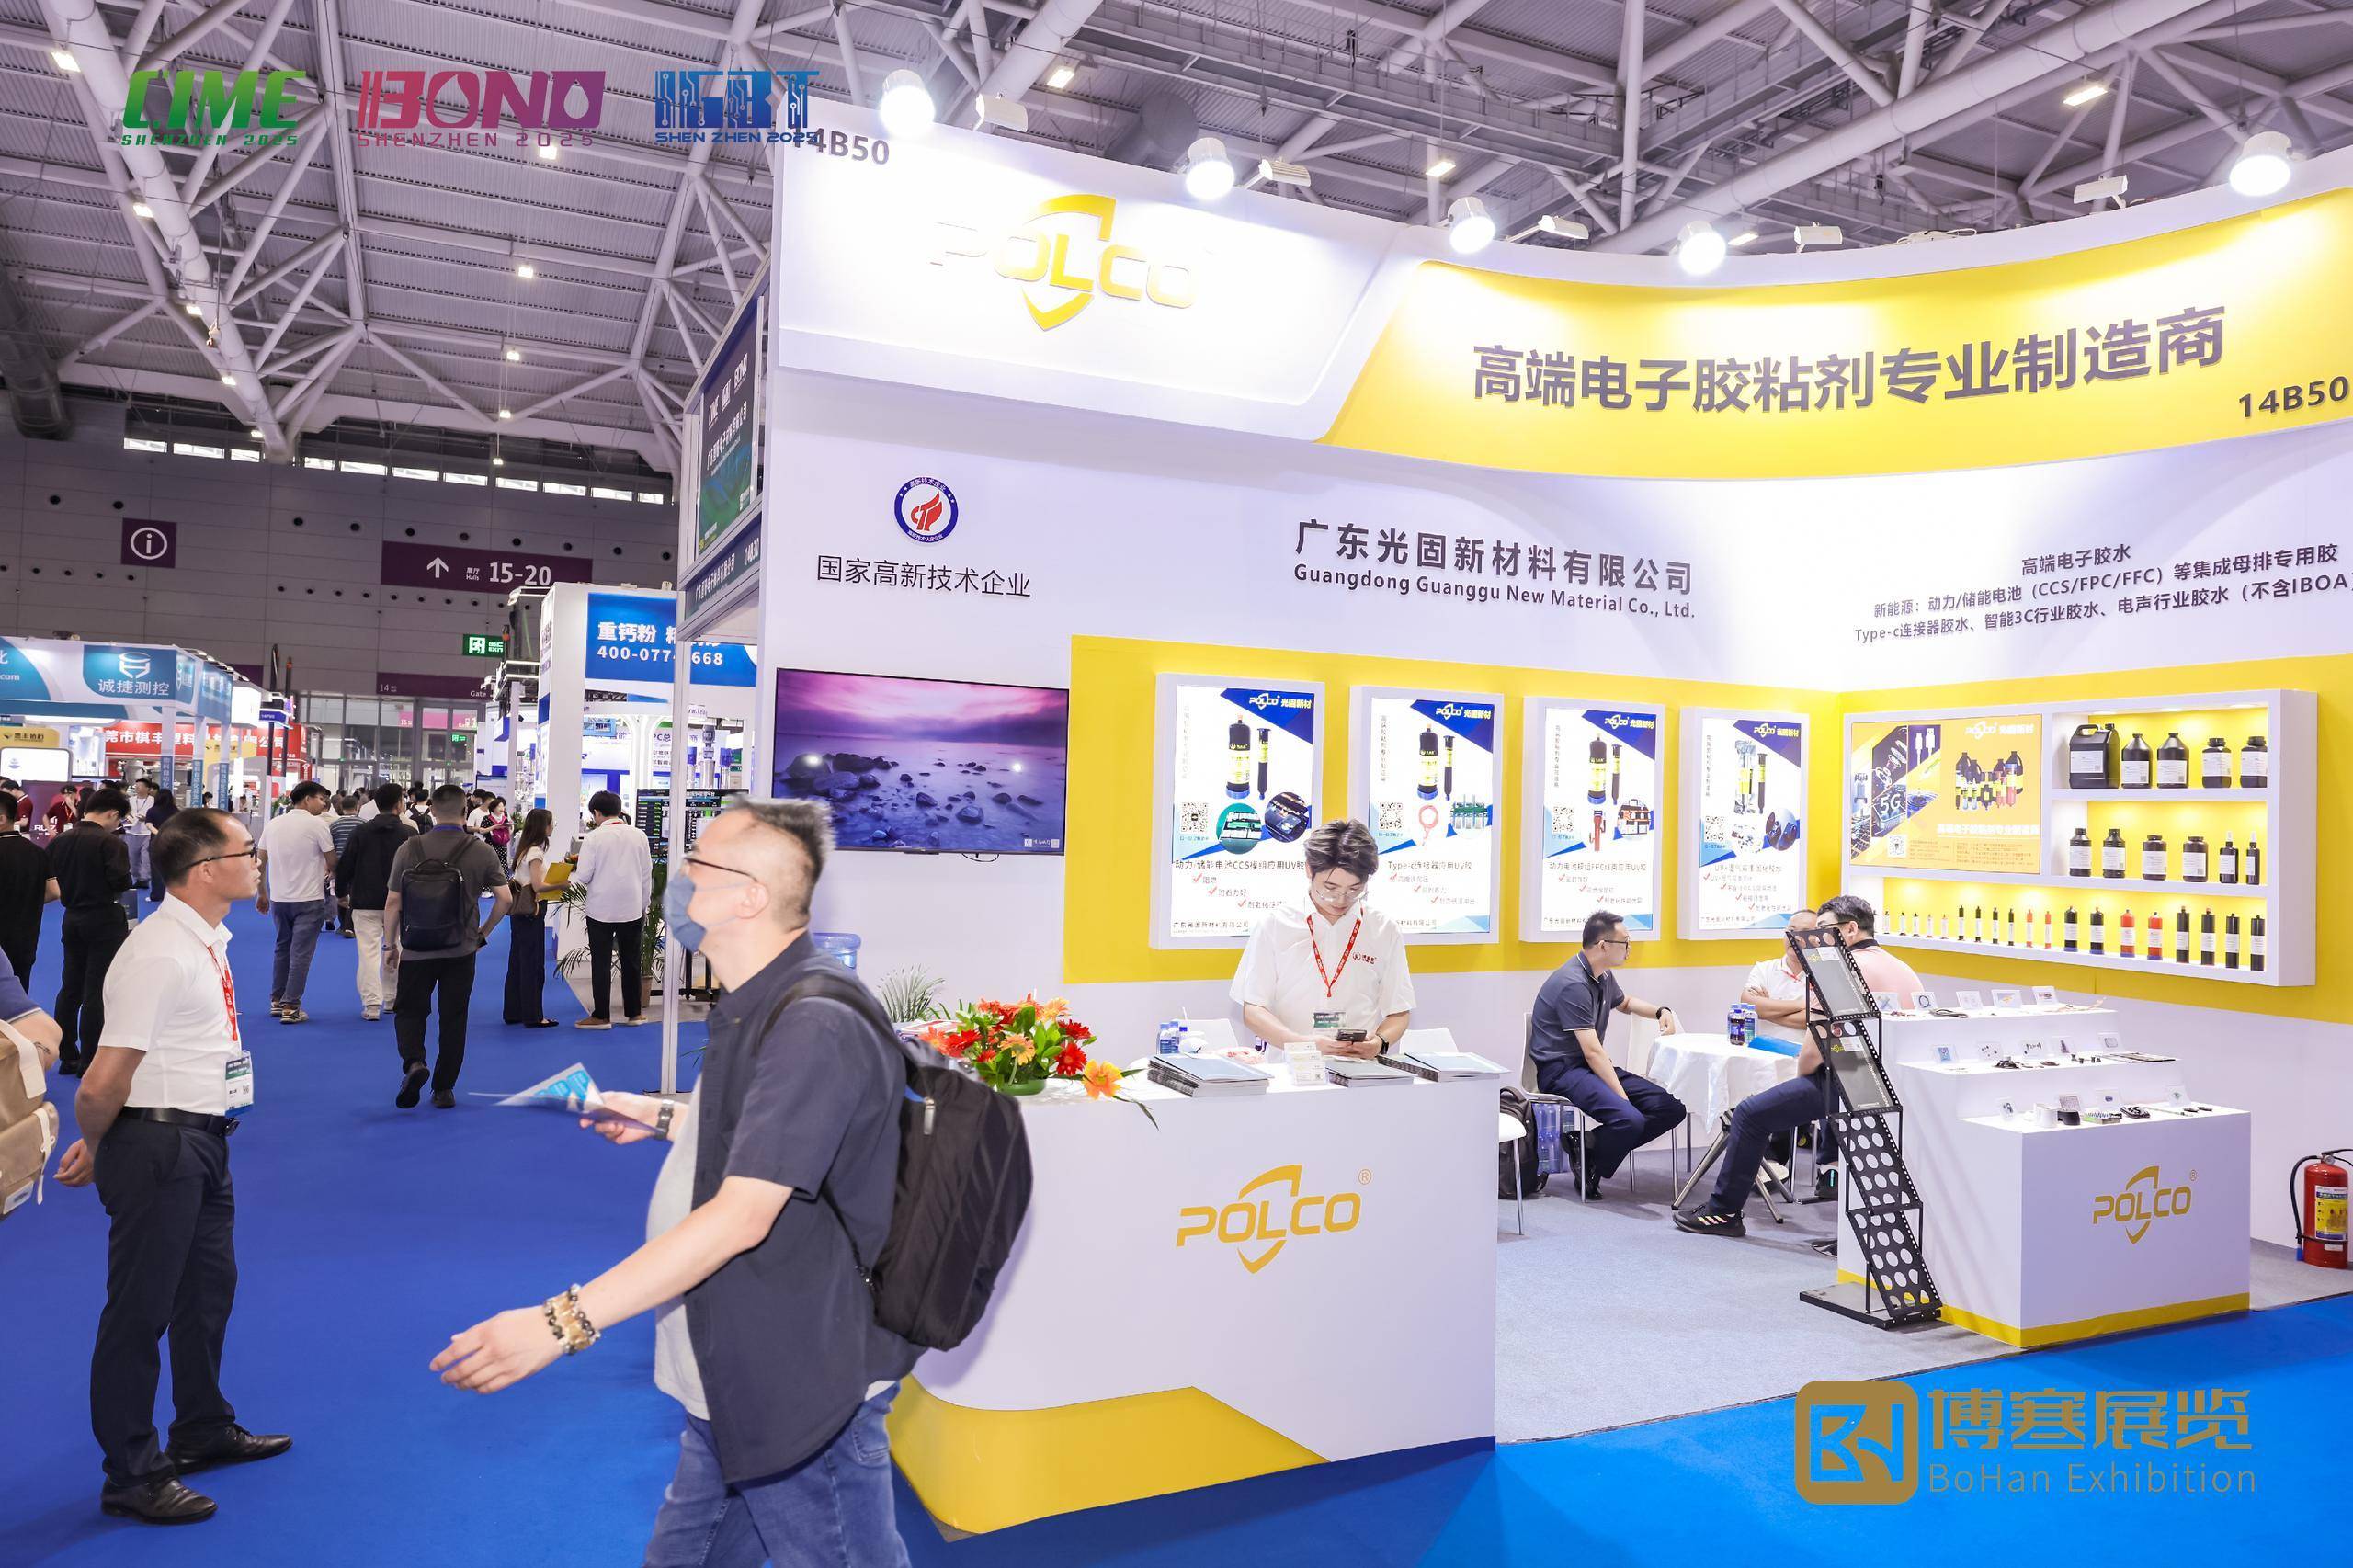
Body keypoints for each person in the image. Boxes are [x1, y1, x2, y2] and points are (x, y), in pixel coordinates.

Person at [432, 801, 918, 1567]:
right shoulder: (760, 999)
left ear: (750, 895)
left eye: (699, 863)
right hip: (734, 1368)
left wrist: (561, 1323)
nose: (680, 876)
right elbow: (778, 1131)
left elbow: (743, 1215)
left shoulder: (812, 1021)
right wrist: (665, 1116)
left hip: (797, 1382)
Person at [54, 807, 291, 1524]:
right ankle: (131, 1472)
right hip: (160, 1147)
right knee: (140, 1311)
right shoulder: (159, 952)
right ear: (205, 870)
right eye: (247, 850)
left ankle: (202, 1427)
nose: (257, 860)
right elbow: (101, 1080)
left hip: (202, 1138)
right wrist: (100, 1143)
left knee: (207, 1292)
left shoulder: (204, 940)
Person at [1674, 895, 1924, 1239]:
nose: (1814, 939)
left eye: (1823, 929)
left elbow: (1813, 1048)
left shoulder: (1839, 967)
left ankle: (1722, 1212)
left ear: (1851, 929)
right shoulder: (1903, 969)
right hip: (1892, 1082)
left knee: (1748, 1115)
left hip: (1847, 1078)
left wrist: (1803, 1078)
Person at [1527, 910, 1688, 1199]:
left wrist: (1660, 1011)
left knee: (1671, 1109)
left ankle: (1586, 1145)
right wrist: (1623, 1099)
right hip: (1561, 1070)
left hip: (1587, 1067)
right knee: (1630, 1119)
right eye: (1625, 942)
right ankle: (1593, 1161)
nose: (1629, 948)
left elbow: (1624, 1002)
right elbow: (1592, 1052)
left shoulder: (1602, 975)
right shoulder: (1573, 984)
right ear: (1603, 945)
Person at [1229, 819, 1413, 1061]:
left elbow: (1399, 1011)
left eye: (1354, 890)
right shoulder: (1275, 925)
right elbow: (1253, 1010)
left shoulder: (1383, 929)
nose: (1341, 899)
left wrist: (1379, 1042)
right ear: (1309, 870)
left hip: (1359, 1070)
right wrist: (1303, 1044)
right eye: (1330, 888)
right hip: (1291, 1066)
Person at [382, 784, 511, 1109]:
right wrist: (483, 933)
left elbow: (393, 902)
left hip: (416, 947)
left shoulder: (409, 848)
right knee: (454, 1017)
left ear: (433, 811)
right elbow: (505, 899)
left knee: (410, 1011)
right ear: (465, 811)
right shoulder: (481, 851)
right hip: (460, 949)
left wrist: (389, 945)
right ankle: (444, 1089)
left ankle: (414, 1062)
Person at [51, 787, 134, 1077]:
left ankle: (67, 1055)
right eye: (119, 819)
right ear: (113, 814)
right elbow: (121, 881)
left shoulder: (60, 841)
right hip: (104, 918)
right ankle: (90, 1060)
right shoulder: (111, 844)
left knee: (70, 986)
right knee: (97, 989)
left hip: (71, 916)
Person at [571, 789, 654, 1030]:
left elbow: (584, 876)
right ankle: (634, 1013)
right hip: (632, 908)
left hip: (601, 909)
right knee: (631, 961)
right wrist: (644, 904)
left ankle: (601, 1016)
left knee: (601, 962)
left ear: (597, 813)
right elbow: (646, 874)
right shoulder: (639, 835)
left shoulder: (594, 838)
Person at [255, 781, 337, 1025]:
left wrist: (261, 893)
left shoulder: (273, 824)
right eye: (321, 799)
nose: (324, 803)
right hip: (309, 899)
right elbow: (332, 860)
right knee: (301, 953)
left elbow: (260, 862)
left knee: (282, 948)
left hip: (280, 899)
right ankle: (291, 1006)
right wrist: (331, 873)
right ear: (307, 799)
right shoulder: (317, 825)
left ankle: (277, 1000)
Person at [341, 783, 417, 1022]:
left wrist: (341, 893)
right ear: (399, 805)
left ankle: (372, 1003)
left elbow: (346, 865)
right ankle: (392, 999)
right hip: (401, 902)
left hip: (364, 901)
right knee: (397, 948)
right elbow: (418, 871)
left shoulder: (361, 832)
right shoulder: (410, 834)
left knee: (368, 953)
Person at [503, 808, 560, 1028]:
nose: (553, 826)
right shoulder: (535, 852)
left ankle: (514, 1011)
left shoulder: (524, 849)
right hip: (531, 913)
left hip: (520, 914)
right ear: (543, 827)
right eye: (551, 823)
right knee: (533, 964)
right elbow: (538, 886)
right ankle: (534, 1015)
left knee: (518, 962)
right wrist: (561, 884)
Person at [1739, 908, 1821, 1055]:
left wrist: (1767, 1010)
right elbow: (1749, 1005)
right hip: (1764, 1053)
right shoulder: (1764, 969)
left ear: (1818, 939)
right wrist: (1803, 1004)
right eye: (1791, 930)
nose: (1795, 937)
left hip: (1806, 1057)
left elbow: (1815, 1019)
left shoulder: (1826, 973)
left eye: (1804, 932)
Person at [0, 790, 58, 989]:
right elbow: (54, 892)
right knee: (18, 993)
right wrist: (27, 901)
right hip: (25, 939)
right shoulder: (37, 852)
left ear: (1, 819)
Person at [327, 793, 363, 937]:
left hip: (339, 865)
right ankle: (351, 925)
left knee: (341, 894)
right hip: (359, 865)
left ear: (341, 808)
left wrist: (330, 868)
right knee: (355, 894)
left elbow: (330, 847)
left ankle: (343, 925)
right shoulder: (364, 824)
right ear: (357, 807)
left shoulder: (334, 825)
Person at [124, 778, 158, 903]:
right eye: (136, 786)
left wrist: (147, 818)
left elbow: (155, 815)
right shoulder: (131, 800)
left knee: (146, 857)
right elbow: (126, 813)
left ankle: (145, 879)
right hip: (132, 831)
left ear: (148, 789)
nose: (137, 788)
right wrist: (128, 818)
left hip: (147, 832)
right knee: (133, 858)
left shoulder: (153, 801)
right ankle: (138, 878)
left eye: (140, 786)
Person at [143, 787, 178, 903]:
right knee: (172, 870)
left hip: (156, 842)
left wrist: (159, 834)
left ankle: (156, 895)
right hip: (172, 841)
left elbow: (149, 825)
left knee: (156, 870)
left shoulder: (152, 810)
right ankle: (173, 896)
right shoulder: (176, 811)